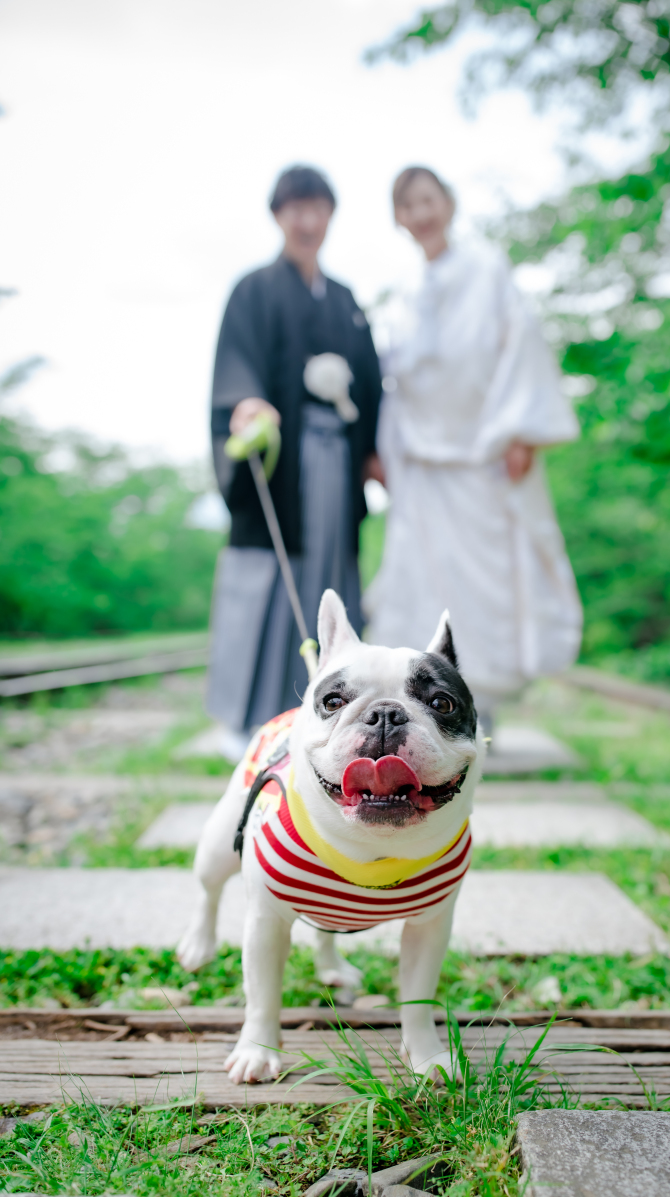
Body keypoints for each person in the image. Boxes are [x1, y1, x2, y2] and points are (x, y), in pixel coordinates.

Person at [366, 166, 582, 736]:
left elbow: (520, 345)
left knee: (485, 592)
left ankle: (482, 711)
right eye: (407, 204)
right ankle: (421, 713)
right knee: (418, 587)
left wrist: (521, 431)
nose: (420, 212)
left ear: (449, 204)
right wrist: (384, 451)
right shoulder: (407, 293)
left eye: (427, 199)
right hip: (423, 469)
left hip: (480, 460)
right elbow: (396, 382)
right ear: (398, 218)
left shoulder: (486, 269)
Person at [207, 165, 383, 760]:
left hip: (338, 461)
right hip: (286, 460)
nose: (307, 221)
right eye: (295, 209)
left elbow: (371, 383)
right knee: (269, 575)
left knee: (330, 580)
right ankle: (248, 717)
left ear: (330, 216)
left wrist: (374, 449)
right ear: (278, 216)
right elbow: (238, 366)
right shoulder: (254, 289)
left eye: (317, 209)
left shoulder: (345, 300)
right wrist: (246, 403)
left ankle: (331, 716)